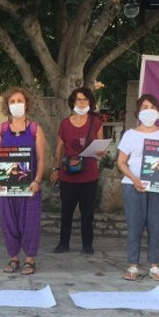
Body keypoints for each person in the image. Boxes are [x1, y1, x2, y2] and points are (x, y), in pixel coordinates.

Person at [116, 94, 159, 281]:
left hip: (158, 188)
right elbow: (121, 162)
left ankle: (154, 266)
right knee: (134, 225)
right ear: (138, 111)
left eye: (153, 107)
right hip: (132, 186)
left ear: (158, 111)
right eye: (145, 107)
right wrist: (134, 179)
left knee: (156, 226)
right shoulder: (130, 135)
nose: (149, 111)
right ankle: (132, 265)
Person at [0, 87, 46, 275]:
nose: (16, 105)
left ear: (26, 104)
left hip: (29, 185)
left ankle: (30, 259)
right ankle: (13, 257)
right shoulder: (1, 129)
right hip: (6, 186)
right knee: (8, 222)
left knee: (30, 222)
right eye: (12, 101)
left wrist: (37, 181)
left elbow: (41, 159)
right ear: (7, 105)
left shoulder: (35, 129)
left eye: (20, 101)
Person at [49, 87, 105, 255]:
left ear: (90, 102)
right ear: (73, 102)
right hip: (68, 175)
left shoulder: (96, 123)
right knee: (66, 212)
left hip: (89, 175)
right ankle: (63, 243)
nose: (81, 102)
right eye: (78, 99)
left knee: (87, 213)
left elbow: (101, 147)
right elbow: (59, 149)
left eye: (85, 99)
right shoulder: (65, 124)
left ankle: (87, 245)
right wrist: (56, 169)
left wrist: (100, 152)